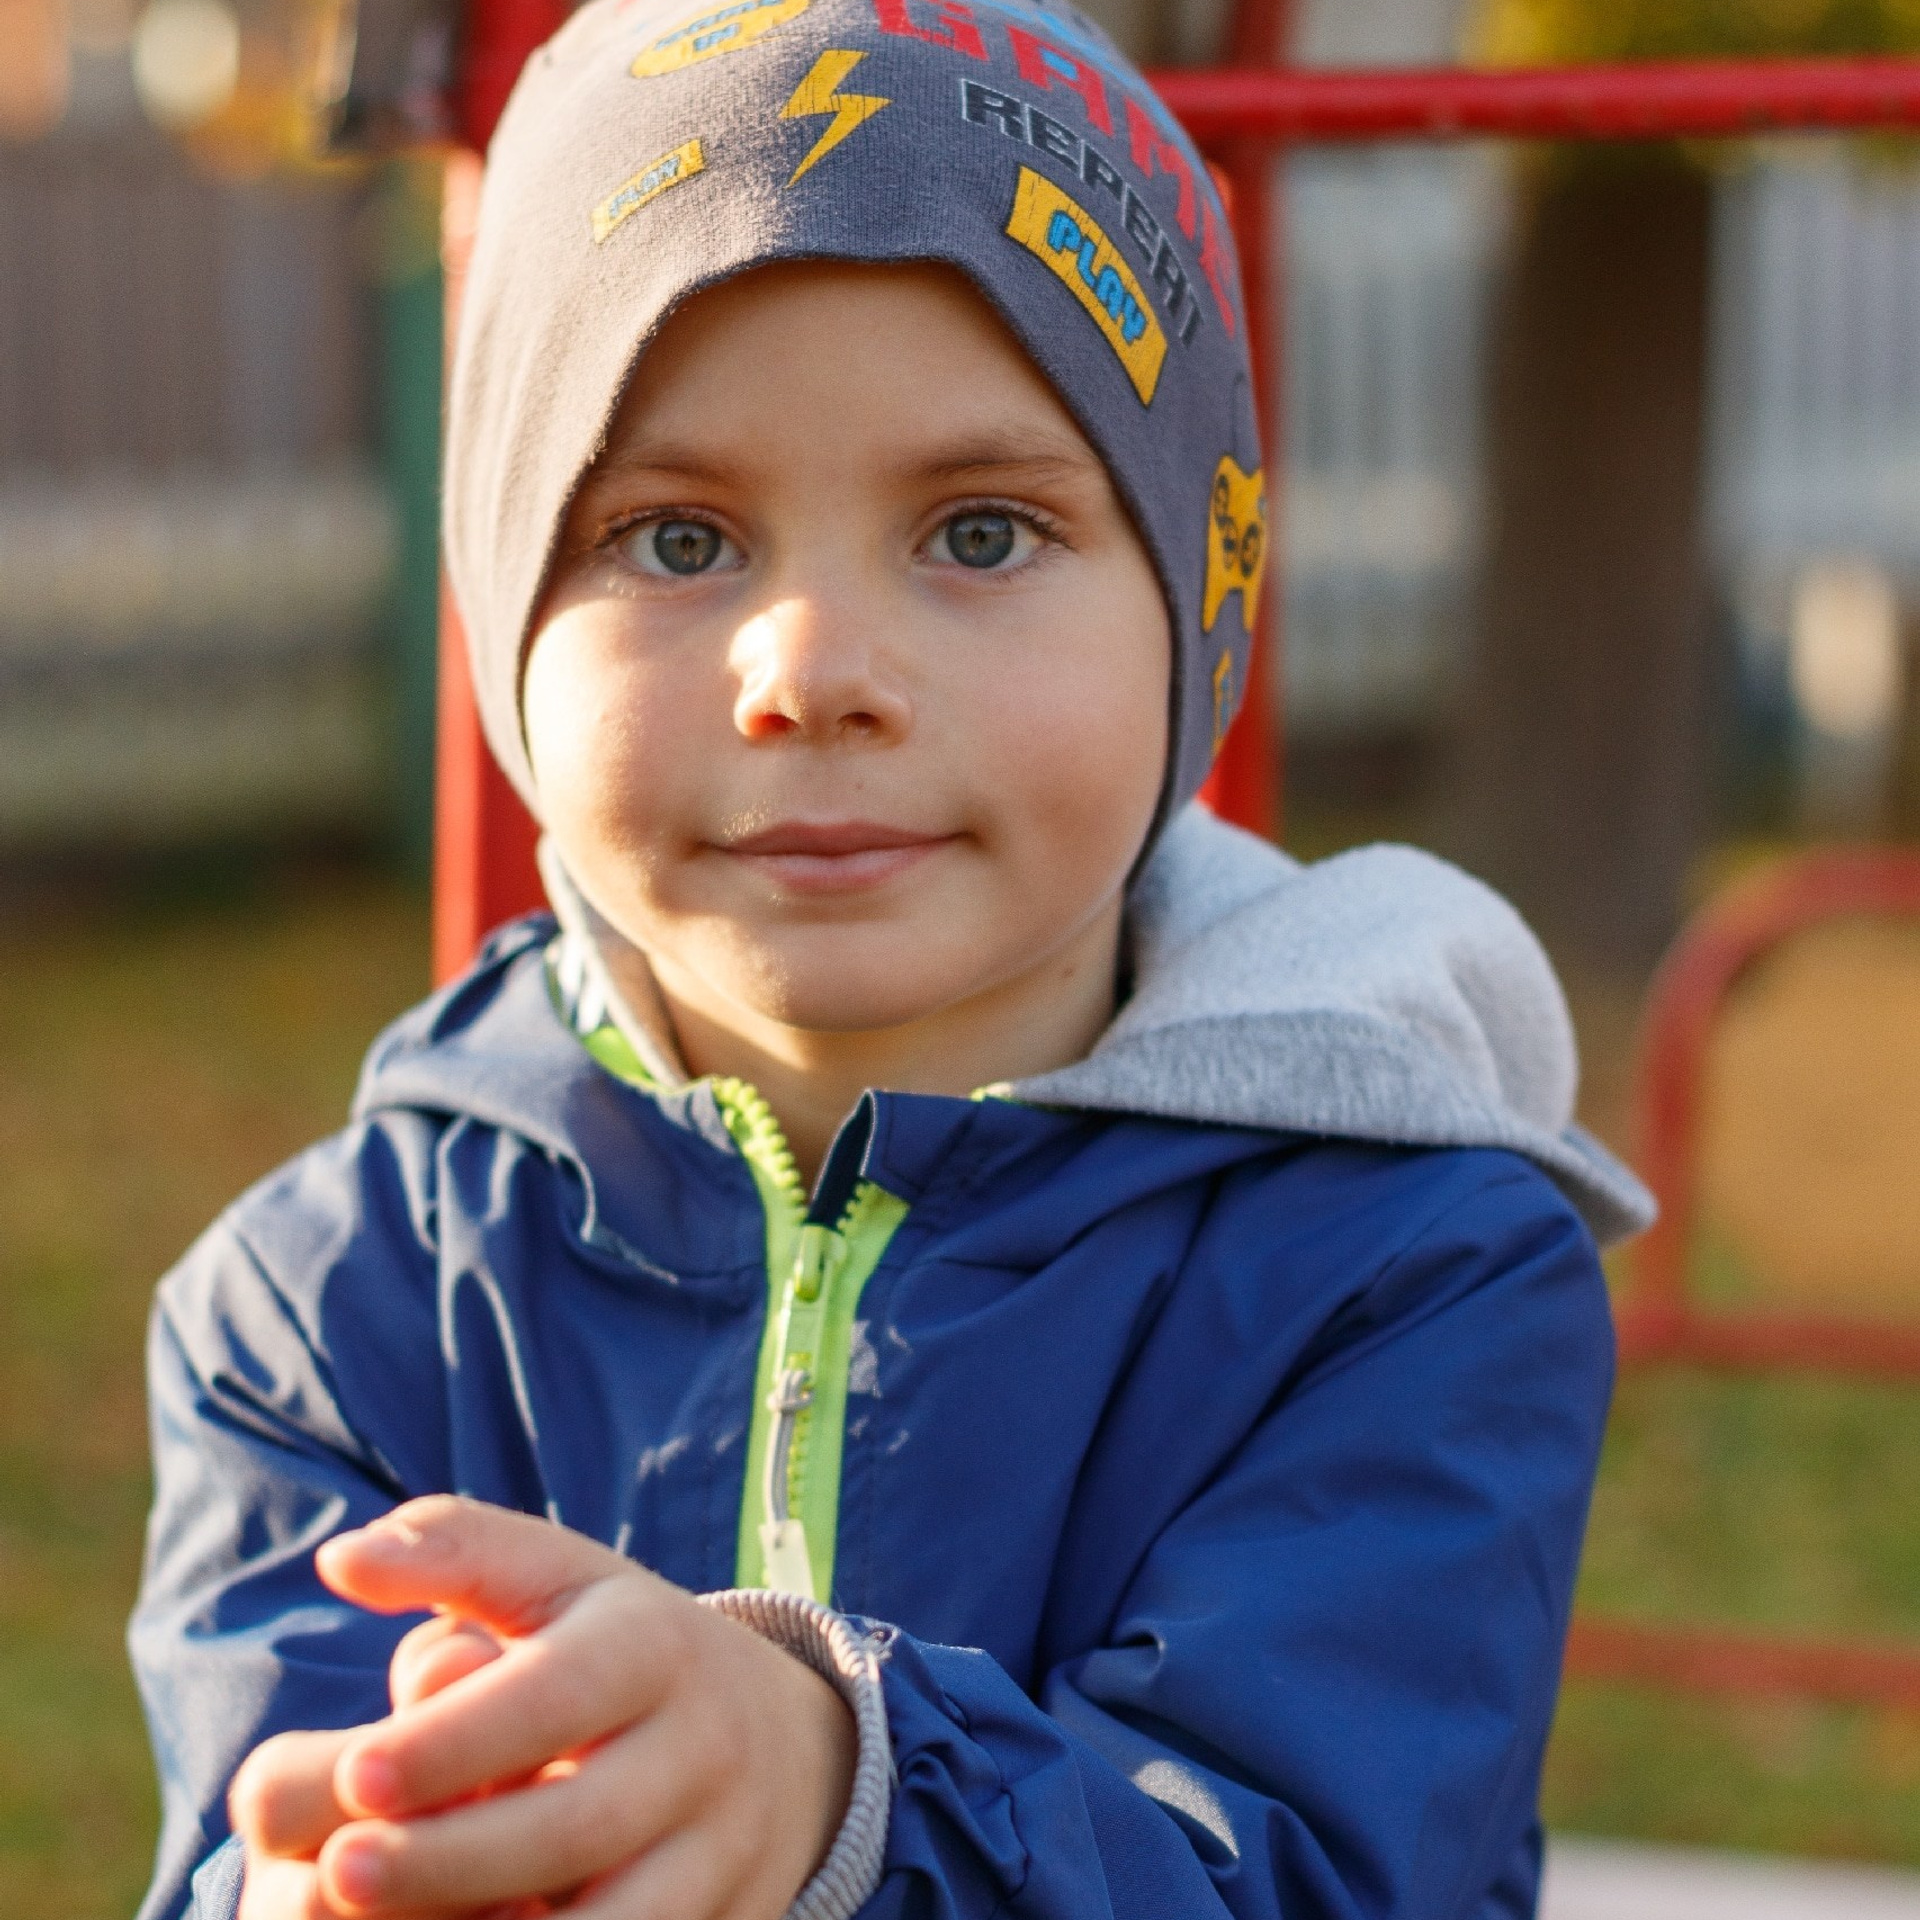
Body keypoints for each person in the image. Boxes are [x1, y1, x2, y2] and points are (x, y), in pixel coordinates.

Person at [129, 0, 1653, 1914]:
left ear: (1195, 609)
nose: (817, 670)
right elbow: (245, 1844)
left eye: (984, 529)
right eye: (678, 541)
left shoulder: (1404, 1268)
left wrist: (832, 1798)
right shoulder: (328, 1307)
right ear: (506, 611)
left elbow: (1316, 1870)